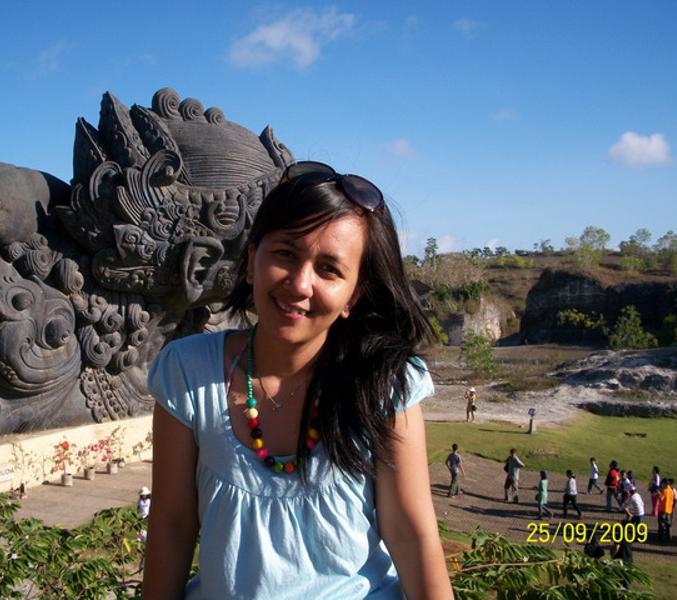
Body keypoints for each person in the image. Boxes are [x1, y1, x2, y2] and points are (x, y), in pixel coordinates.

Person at [142, 161, 453, 599]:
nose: (300, 284)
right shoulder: (188, 372)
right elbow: (172, 524)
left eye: (329, 269)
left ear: (354, 295)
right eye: (286, 254)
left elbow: (410, 533)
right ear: (251, 261)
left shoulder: (384, 383)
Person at [657, 479, 675, 543]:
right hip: (669, 510)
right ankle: (669, 537)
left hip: (663, 510)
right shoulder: (671, 490)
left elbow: (661, 498)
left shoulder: (664, 490)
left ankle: (660, 538)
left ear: (664, 484)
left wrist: (659, 493)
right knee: (668, 525)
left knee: (661, 525)